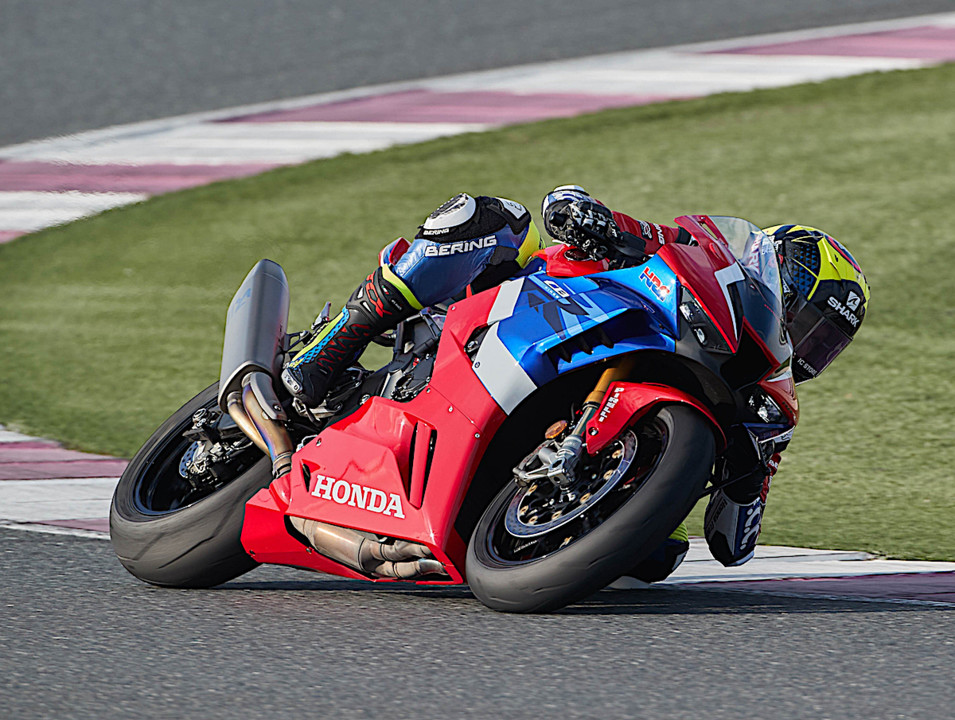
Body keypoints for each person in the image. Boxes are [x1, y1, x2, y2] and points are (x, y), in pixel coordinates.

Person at [281, 187, 870, 583]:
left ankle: (527, 526)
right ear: (774, 279)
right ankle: (330, 346)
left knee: (658, 559)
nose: (805, 342)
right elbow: (575, 210)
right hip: (515, 317)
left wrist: (746, 479)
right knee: (489, 221)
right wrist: (587, 216)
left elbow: (732, 544)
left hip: (561, 468)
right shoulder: (691, 260)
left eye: (822, 342)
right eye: (806, 320)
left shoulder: (771, 408)